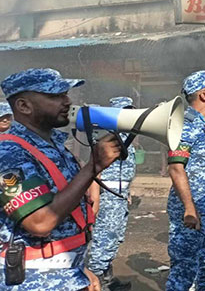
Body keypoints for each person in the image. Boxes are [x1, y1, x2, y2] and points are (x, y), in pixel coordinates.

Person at [0, 68, 122, 290]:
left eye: (65, 94)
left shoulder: (53, 145)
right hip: (33, 282)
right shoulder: (8, 153)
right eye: (54, 96)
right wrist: (93, 166)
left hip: (63, 273)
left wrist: (79, 270)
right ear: (24, 106)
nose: (66, 101)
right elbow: (40, 222)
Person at [166, 70, 205, 291]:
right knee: (185, 267)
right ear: (203, 94)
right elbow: (175, 168)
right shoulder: (186, 125)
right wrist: (189, 208)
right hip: (193, 209)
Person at [87, 96, 138, 291]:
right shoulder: (105, 136)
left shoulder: (127, 138)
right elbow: (95, 169)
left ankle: (107, 279)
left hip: (120, 195)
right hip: (108, 195)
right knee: (104, 238)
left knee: (115, 238)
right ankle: (96, 280)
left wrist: (127, 191)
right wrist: (96, 197)